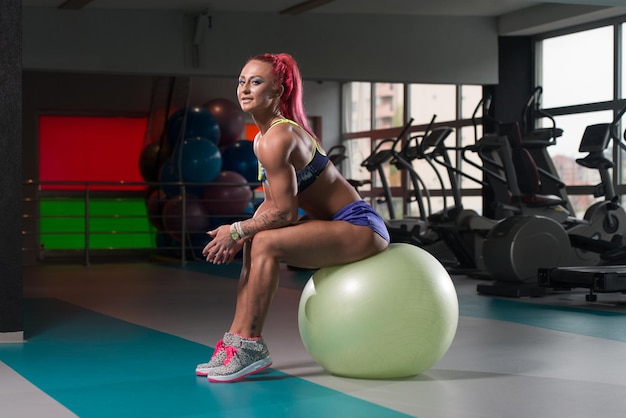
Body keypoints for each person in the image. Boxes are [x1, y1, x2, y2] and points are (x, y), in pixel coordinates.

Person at [196, 52, 390, 383]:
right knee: (255, 241)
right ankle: (236, 340)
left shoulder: (279, 137)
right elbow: (271, 205)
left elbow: (286, 213)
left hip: (360, 226)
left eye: (256, 82)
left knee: (266, 242)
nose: (244, 89)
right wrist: (241, 234)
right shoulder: (262, 138)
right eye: (241, 81)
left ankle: (251, 345)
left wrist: (237, 229)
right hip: (334, 225)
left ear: (279, 91)